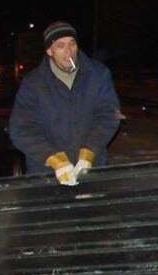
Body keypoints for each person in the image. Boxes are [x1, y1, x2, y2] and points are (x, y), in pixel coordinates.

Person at [9, 21, 121, 184]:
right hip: (46, 175)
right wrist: (55, 160)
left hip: (92, 169)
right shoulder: (33, 84)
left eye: (72, 44)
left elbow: (109, 116)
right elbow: (21, 129)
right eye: (60, 46)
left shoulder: (97, 75)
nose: (68, 52)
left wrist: (89, 153)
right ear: (49, 50)